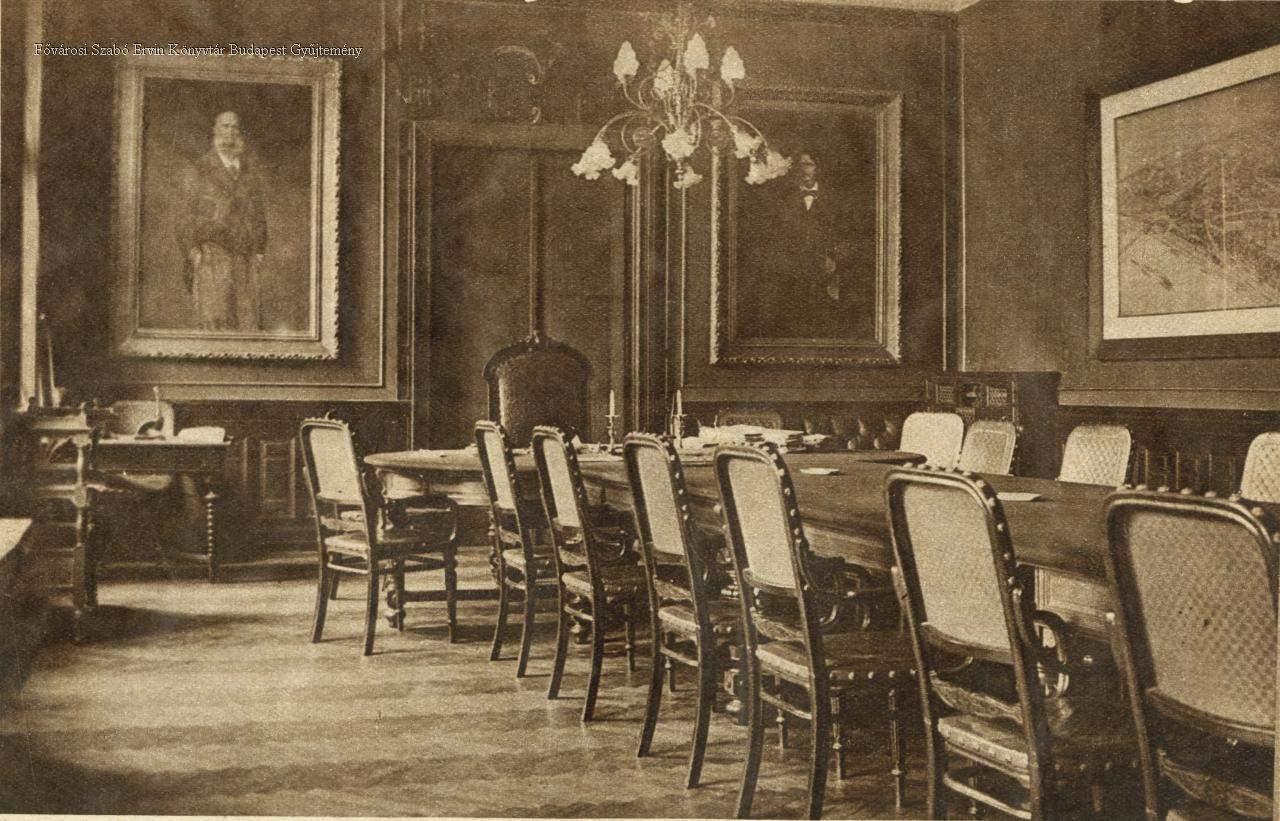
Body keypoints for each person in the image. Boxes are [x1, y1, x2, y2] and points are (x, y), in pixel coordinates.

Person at [741, 147, 858, 339]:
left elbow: (844, 234)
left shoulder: (834, 199)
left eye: (809, 165)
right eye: (799, 165)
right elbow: (773, 234)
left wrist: (834, 259)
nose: (804, 170)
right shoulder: (782, 198)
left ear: (818, 168)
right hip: (790, 267)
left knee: (823, 315)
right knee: (791, 314)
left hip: (825, 267)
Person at [176, 111, 268, 331]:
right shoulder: (200, 169)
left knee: (247, 324)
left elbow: (259, 213)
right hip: (212, 257)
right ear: (215, 130)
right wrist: (193, 252)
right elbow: (183, 216)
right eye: (225, 126)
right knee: (215, 324)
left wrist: (259, 250)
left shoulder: (249, 173)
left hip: (245, 259)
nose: (230, 132)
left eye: (235, 127)